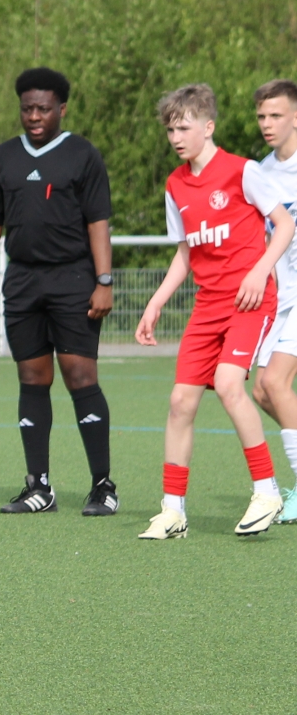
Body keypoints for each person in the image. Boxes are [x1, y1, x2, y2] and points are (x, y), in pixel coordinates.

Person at [135, 84, 295, 539]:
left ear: (208, 127)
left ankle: (266, 491)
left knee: (228, 384)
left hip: (249, 300)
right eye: (170, 130)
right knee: (180, 401)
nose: (176, 137)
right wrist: (156, 302)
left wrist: (259, 272)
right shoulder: (175, 184)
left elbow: (284, 225)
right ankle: (172, 510)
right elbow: (186, 253)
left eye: (183, 128)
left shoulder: (243, 171)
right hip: (207, 305)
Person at [0, 67, 119, 516]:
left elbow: (98, 222)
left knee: (80, 377)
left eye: (44, 109)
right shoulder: (3, 158)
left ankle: (103, 486)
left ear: (61, 109)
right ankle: (39, 487)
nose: (34, 116)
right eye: (27, 108)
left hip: (74, 281)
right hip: (22, 283)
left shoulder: (82, 155)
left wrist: (103, 281)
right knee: (32, 379)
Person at [248, 78, 297, 524]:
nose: (267, 123)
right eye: (262, 115)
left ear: (295, 118)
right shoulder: (260, 173)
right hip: (282, 297)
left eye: (276, 115)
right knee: (263, 390)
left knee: (277, 383)